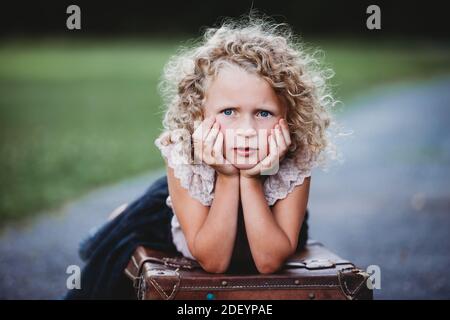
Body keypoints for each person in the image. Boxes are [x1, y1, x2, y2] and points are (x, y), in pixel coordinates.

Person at [65, 14, 339, 299]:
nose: (246, 130)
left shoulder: (295, 159)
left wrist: (252, 180)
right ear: (199, 115)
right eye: (229, 112)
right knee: (127, 233)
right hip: (180, 210)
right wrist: (227, 176)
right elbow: (214, 262)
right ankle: (113, 222)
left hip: (265, 223)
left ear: (289, 118)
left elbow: (269, 261)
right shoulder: (184, 155)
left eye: (263, 113)